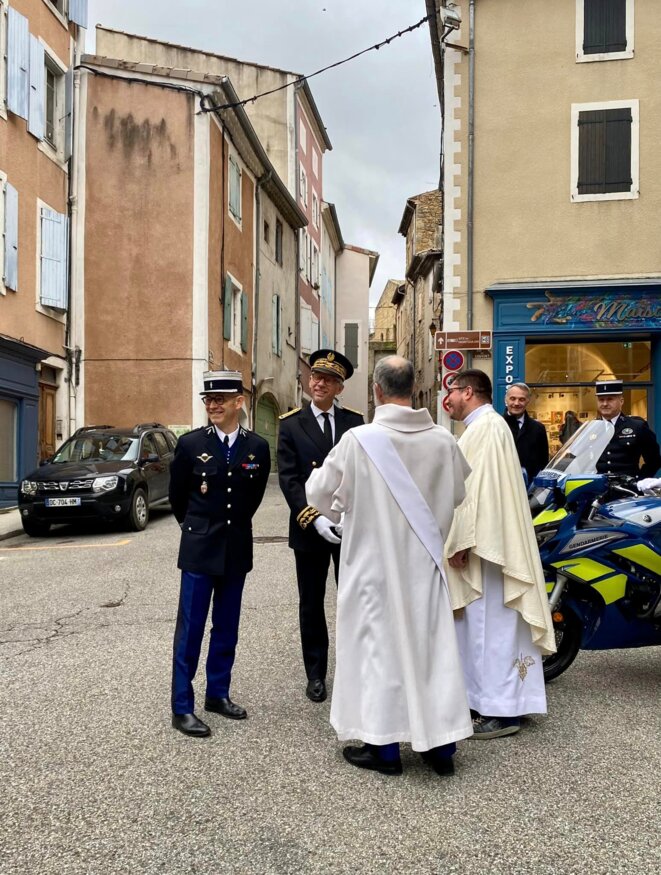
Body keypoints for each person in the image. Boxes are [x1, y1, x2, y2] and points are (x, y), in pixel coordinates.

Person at [305, 356, 473, 777]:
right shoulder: (442, 441)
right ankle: (441, 748)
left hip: (373, 567)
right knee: (430, 652)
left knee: (377, 653)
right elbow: (456, 496)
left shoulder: (358, 441)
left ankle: (383, 750)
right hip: (425, 565)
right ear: (413, 389)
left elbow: (318, 495)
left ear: (377, 390)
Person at [444, 369, 556, 740]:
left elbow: (476, 492)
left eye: (453, 391)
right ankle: (489, 701)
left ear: (469, 391)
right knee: (483, 627)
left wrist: (461, 540)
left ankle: (503, 710)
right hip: (488, 543)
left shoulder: (488, 428)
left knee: (491, 628)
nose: (450, 399)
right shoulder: (484, 426)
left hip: (489, 549)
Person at [169, 371, 271, 737]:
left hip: (236, 547)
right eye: (208, 400)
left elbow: (253, 497)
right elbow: (179, 497)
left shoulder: (257, 447)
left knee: (227, 627)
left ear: (238, 402)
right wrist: (198, 527)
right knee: (191, 629)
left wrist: (230, 527)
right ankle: (182, 706)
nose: (212, 405)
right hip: (199, 548)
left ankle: (218, 694)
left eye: (220, 399)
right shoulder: (191, 444)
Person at [277, 350, 364, 703]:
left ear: (339, 386)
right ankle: (315, 674)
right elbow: (289, 478)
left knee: (353, 600)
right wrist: (314, 518)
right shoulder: (291, 423)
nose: (319, 383)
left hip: (349, 528)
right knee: (311, 604)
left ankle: (354, 669)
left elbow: (361, 474)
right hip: (310, 528)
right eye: (315, 376)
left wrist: (346, 516)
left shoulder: (355, 423)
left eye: (328, 379)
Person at [594, 380, 661, 478]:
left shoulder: (637, 426)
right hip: (596, 488)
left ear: (621, 401)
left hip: (627, 488)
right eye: (601, 399)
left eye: (610, 399)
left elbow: (654, 461)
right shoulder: (592, 428)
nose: (604, 403)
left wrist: (640, 481)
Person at [503, 382, 549, 483]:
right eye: (512, 398)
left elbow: (543, 463)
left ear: (528, 401)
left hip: (529, 491)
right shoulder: (497, 426)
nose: (516, 403)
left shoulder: (538, 429)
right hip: (503, 486)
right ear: (506, 400)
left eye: (521, 399)